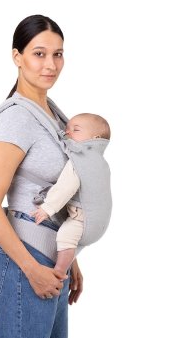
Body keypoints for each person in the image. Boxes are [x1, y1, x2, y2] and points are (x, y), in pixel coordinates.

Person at [0, 14, 83, 338]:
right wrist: (31, 268)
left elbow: (57, 192)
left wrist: (70, 256)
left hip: (53, 264)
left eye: (58, 54)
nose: (50, 64)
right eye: (39, 54)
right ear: (17, 56)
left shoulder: (53, 114)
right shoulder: (17, 118)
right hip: (27, 263)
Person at [30, 113, 111, 275]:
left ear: (94, 138)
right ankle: (67, 263)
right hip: (99, 222)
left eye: (76, 129)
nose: (68, 132)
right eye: (67, 129)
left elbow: (66, 186)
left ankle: (60, 271)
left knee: (65, 236)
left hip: (82, 219)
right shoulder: (100, 162)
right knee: (71, 243)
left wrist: (47, 208)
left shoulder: (79, 160)